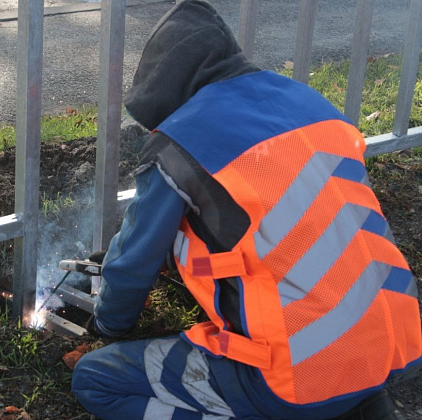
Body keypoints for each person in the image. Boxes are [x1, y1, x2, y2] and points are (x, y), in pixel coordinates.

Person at [70, 1, 422, 419]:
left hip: (297, 376)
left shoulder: (181, 140)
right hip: (395, 340)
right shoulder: (311, 105)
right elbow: (265, 221)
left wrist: (109, 325)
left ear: (165, 90)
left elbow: (132, 265)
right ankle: (358, 399)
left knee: (97, 379)